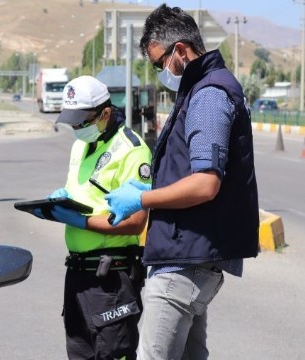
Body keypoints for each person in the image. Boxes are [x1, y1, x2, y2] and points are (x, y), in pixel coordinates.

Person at [104, 4, 259, 359]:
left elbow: (205, 183)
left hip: (183, 264)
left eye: (160, 63)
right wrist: (152, 191)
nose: (160, 72)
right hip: (188, 255)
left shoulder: (207, 95)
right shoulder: (201, 89)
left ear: (180, 50)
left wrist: (144, 200)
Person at [33, 75, 152, 360]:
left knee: (112, 354)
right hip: (77, 274)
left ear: (105, 113)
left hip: (110, 278)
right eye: (72, 122)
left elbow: (136, 221)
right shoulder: (80, 146)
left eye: (81, 121)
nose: (76, 128)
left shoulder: (132, 149)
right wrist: (56, 207)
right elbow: (84, 195)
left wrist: (82, 222)